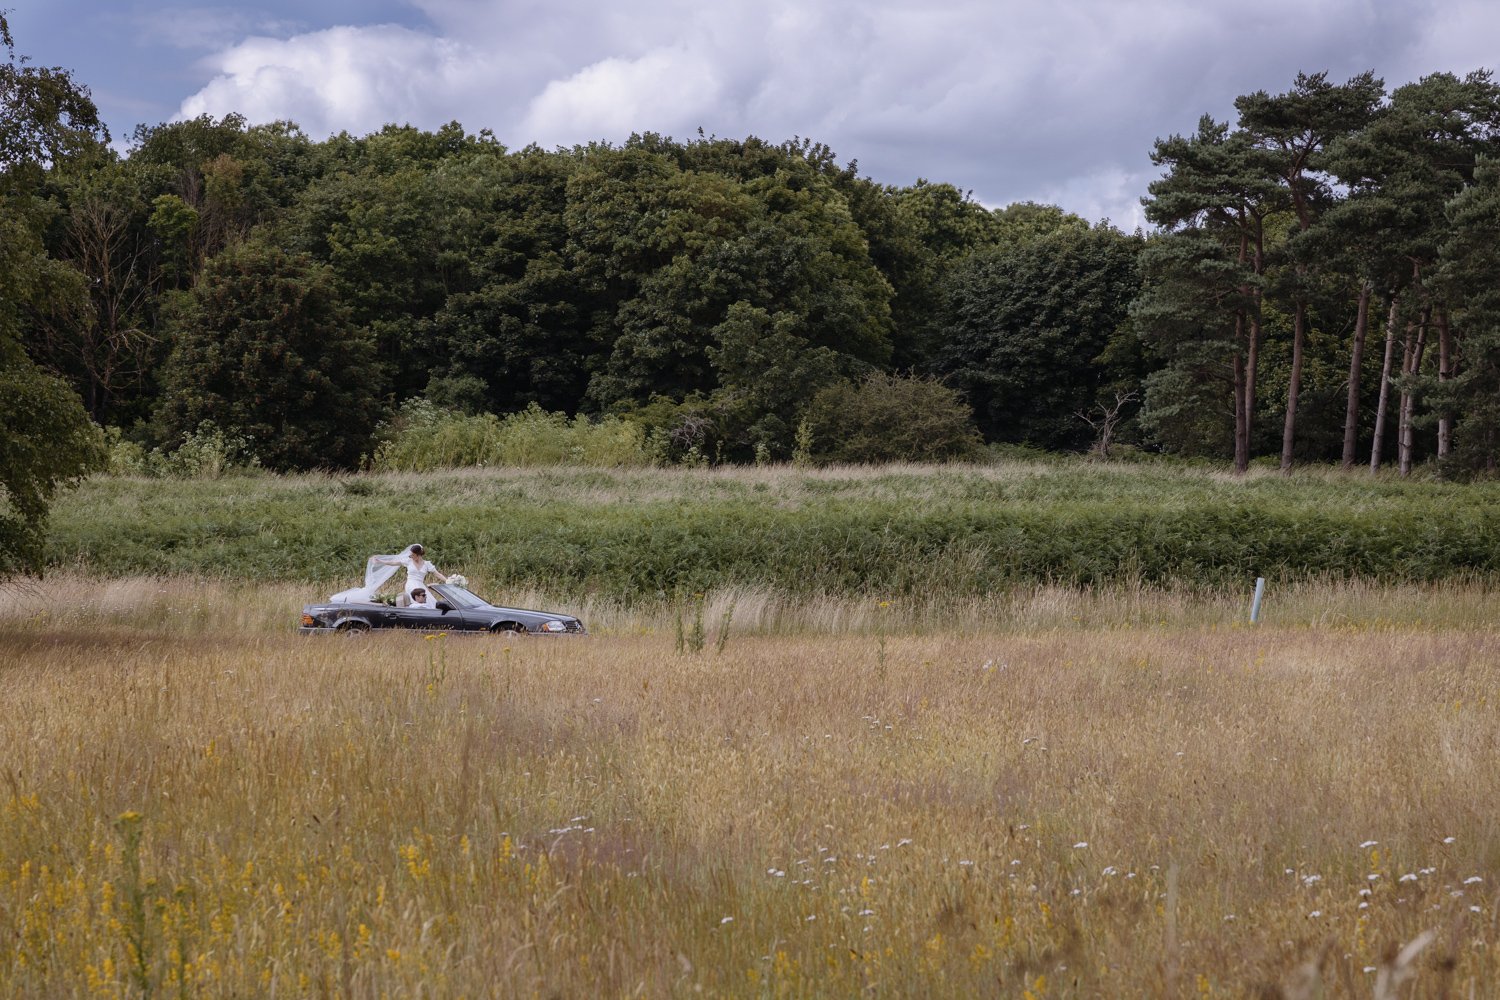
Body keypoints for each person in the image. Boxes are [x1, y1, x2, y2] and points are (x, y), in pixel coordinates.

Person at [374, 543, 447, 604]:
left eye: (413, 555)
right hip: (411, 584)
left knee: (429, 600)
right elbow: (393, 563)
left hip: (420, 585)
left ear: (418, 555)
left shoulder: (427, 564)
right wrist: (381, 561)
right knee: (416, 598)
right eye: (410, 555)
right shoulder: (408, 561)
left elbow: (437, 574)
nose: (411, 556)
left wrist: (447, 580)